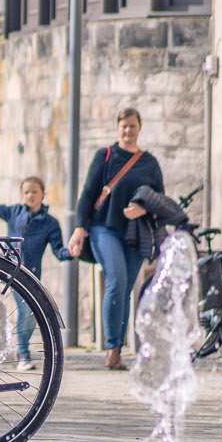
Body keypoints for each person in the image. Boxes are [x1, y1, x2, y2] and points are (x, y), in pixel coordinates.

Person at [71, 106, 164, 370]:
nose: (128, 130)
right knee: (116, 279)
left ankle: (118, 351)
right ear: (118, 128)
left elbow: (161, 200)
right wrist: (80, 227)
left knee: (125, 288)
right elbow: (88, 193)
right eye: (123, 126)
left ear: (140, 127)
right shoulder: (106, 155)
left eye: (132, 125)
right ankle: (112, 350)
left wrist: (143, 209)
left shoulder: (149, 162)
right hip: (105, 228)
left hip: (136, 235)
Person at [0, 164, 70, 369]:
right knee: (9, 308)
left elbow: (59, 251)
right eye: (26, 192)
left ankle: (22, 352)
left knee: (28, 312)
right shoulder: (13, 213)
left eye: (34, 192)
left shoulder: (50, 223)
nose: (30, 195)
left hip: (32, 275)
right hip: (9, 270)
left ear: (43, 194)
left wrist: (72, 252)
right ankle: (10, 352)